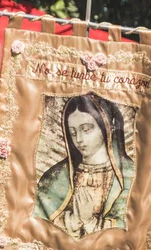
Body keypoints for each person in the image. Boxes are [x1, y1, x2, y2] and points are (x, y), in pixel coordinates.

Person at [34, 93, 135, 238]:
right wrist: (74, 221)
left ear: (106, 127)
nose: (79, 139)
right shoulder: (57, 175)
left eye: (86, 129)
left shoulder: (128, 174)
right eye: (73, 132)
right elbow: (37, 222)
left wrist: (90, 221)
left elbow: (131, 226)